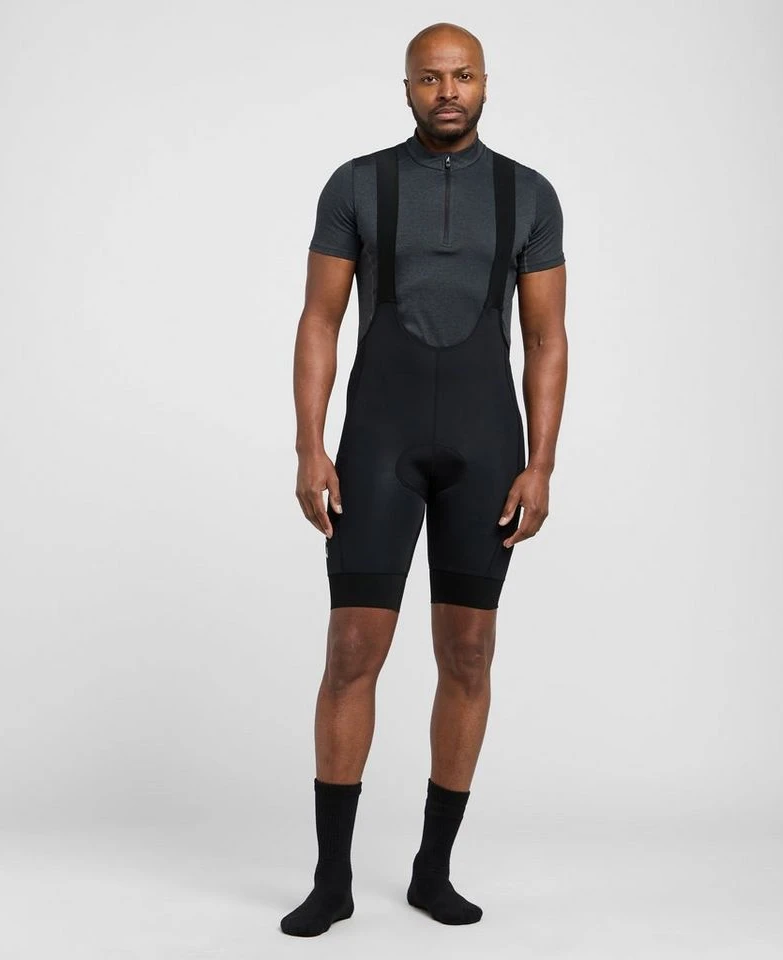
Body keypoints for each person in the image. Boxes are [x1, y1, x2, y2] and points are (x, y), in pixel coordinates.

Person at [283, 21, 568, 937]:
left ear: (484, 83)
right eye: (431, 78)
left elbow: (546, 338)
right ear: (406, 88)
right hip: (379, 441)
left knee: (470, 655)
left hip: (486, 446)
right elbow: (320, 320)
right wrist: (310, 447)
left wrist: (541, 464)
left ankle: (432, 871)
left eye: (463, 75)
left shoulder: (527, 194)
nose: (448, 91)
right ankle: (332, 881)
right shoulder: (357, 184)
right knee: (351, 652)